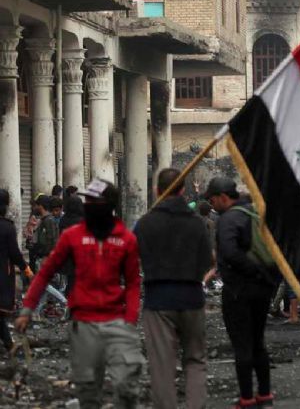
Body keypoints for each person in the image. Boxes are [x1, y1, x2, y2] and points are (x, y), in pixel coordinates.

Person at [15, 179, 144, 408]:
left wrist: (130, 319)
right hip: (83, 322)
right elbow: (45, 273)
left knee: (128, 387)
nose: (88, 206)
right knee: (88, 391)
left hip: (117, 321)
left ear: (108, 205)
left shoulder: (126, 239)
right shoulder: (72, 236)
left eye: (93, 201)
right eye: (87, 201)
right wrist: (27, 309)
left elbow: (134, 283)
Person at [135, 168, 212, 409]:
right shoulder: (197, 223)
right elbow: (207, 261)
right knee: (195, 359)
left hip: (158, 300)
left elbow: (132, 257)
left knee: (161, 365)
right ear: (182, 190)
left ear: (157, 190)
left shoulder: (145, 224)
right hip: (192, 297)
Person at [204, 177, 277, 409]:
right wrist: (264, 276)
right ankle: (265, 395)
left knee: (242, 345)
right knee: (258, 342)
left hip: (239, 291)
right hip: (263, 289)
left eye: (213, 200)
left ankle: (246, 398)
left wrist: (252, 271)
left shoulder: (228, 219)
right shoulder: (255, 212)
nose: (212, 205)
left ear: (223, 197)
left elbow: (230, 253)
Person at [0, 190, 33, 353]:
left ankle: (9, 344)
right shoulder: (7, 227)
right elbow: (14, 253)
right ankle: (9, 344)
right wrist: (25, 268)